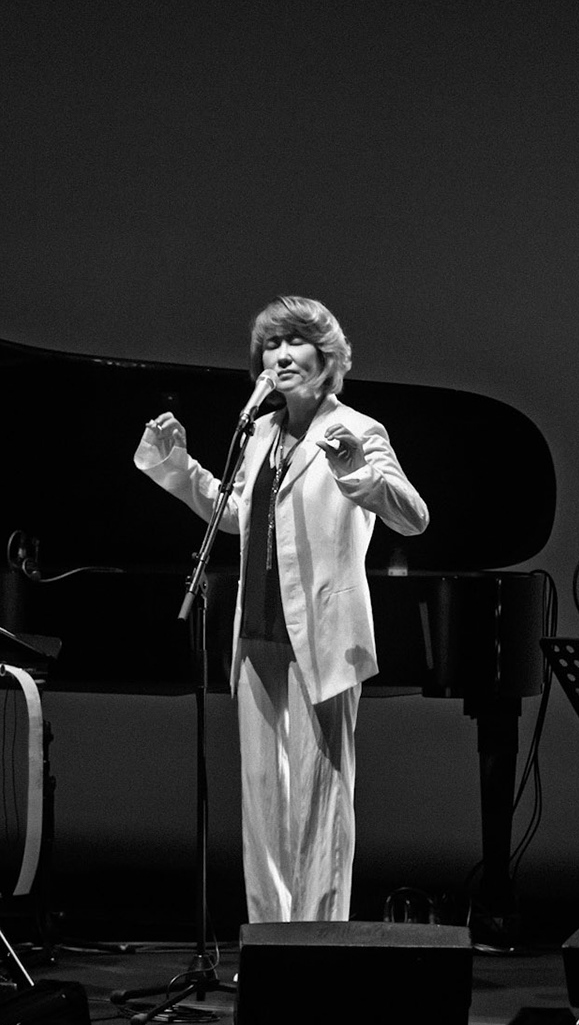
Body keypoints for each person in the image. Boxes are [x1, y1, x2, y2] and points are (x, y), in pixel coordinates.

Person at [136, 297, 428, 922]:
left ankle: (318, 948)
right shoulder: (262, 430)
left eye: (295, 342)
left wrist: (357, 473)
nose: (279, 355)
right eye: (270, 345)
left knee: (321, 801)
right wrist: (179, 465)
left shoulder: (357, 429)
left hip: (322, 635)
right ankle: (269, 942)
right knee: (264, 801)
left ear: (327, 360)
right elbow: (238, 515)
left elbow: (413, 515)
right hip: (259, 631)